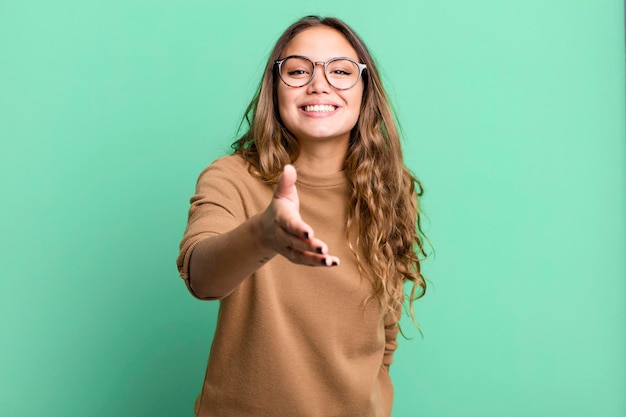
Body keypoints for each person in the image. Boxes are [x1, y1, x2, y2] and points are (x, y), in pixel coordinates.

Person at [176, 15, 427, 417]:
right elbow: (201, 277)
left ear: (367, 91)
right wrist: (263, 236)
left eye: (341, 71)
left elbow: (384, 333)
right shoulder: (231, 178)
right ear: (274, 90)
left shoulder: (389, 189)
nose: (319, 83)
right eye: (297, 71)